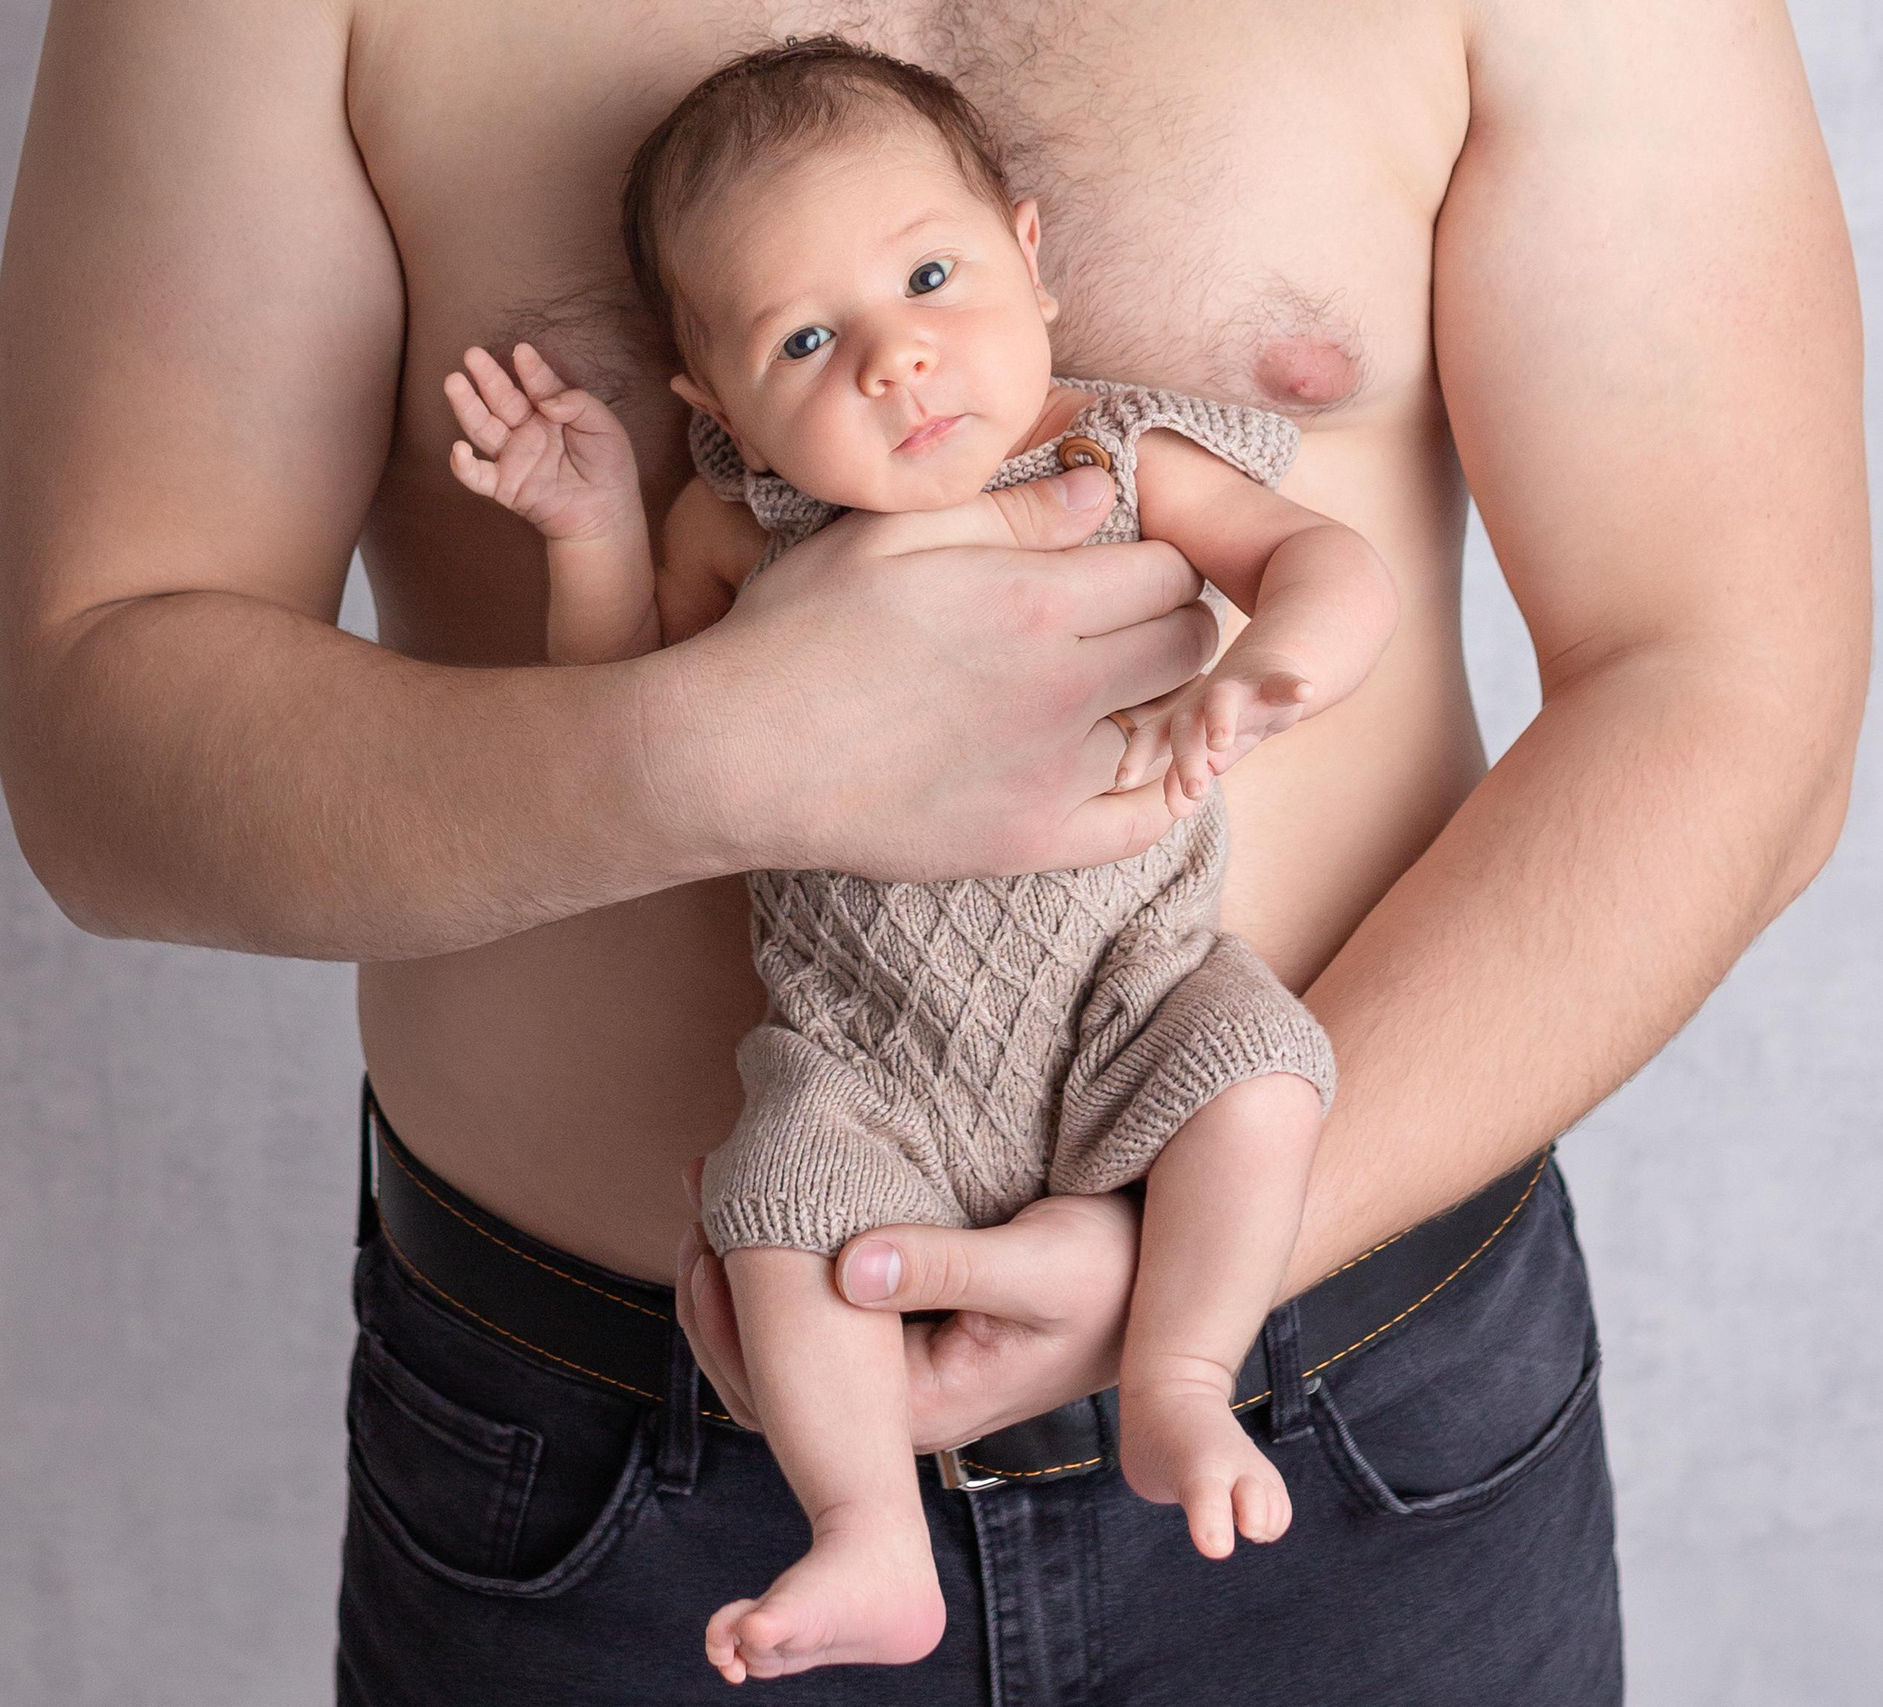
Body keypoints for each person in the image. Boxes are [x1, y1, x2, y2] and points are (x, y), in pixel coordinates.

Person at [0, 2, 1867, 1701]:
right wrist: (717, 751)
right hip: (614, 1456)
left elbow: (1730, 690)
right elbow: (100, 742)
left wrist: (1198, 1259)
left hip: (1356, 1389)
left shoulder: (1138, 442)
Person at [445, 41, 1402, 1679]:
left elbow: (1324, 560)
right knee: (773, 1203)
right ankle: (868, 1533)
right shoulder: (735, 528)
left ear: (1032, 258)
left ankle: (1179, 1380)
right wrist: (594, 531)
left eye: (933, 277)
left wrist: (1272, 665)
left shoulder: (1110, 455)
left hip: (1137, 994)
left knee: (1262, 1071)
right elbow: (622, 733)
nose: (898, 361)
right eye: (807, 339)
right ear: (713, 406)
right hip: (864, 1058)